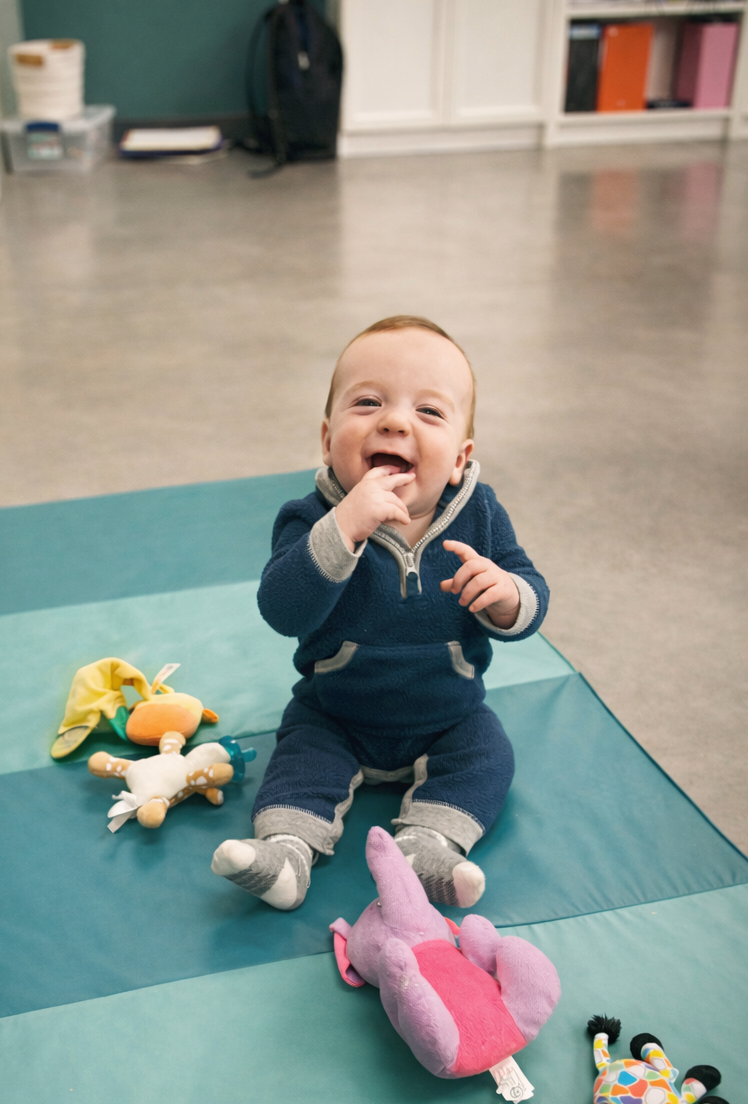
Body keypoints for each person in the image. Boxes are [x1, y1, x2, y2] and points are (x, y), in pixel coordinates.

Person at [211, 314, 549, 911]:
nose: (394, 420)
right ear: (327, 438)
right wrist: (344, 528)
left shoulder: (482, 515)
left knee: (489, 756)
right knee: (297, 760)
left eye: (429, 412)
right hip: (336, 711)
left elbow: (531, 591)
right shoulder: (308, 518)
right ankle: (286, 855)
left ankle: (429, 847)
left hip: (450, 715)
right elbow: (281, 609)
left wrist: (506, 596)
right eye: (368, 403)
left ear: (460, 458)